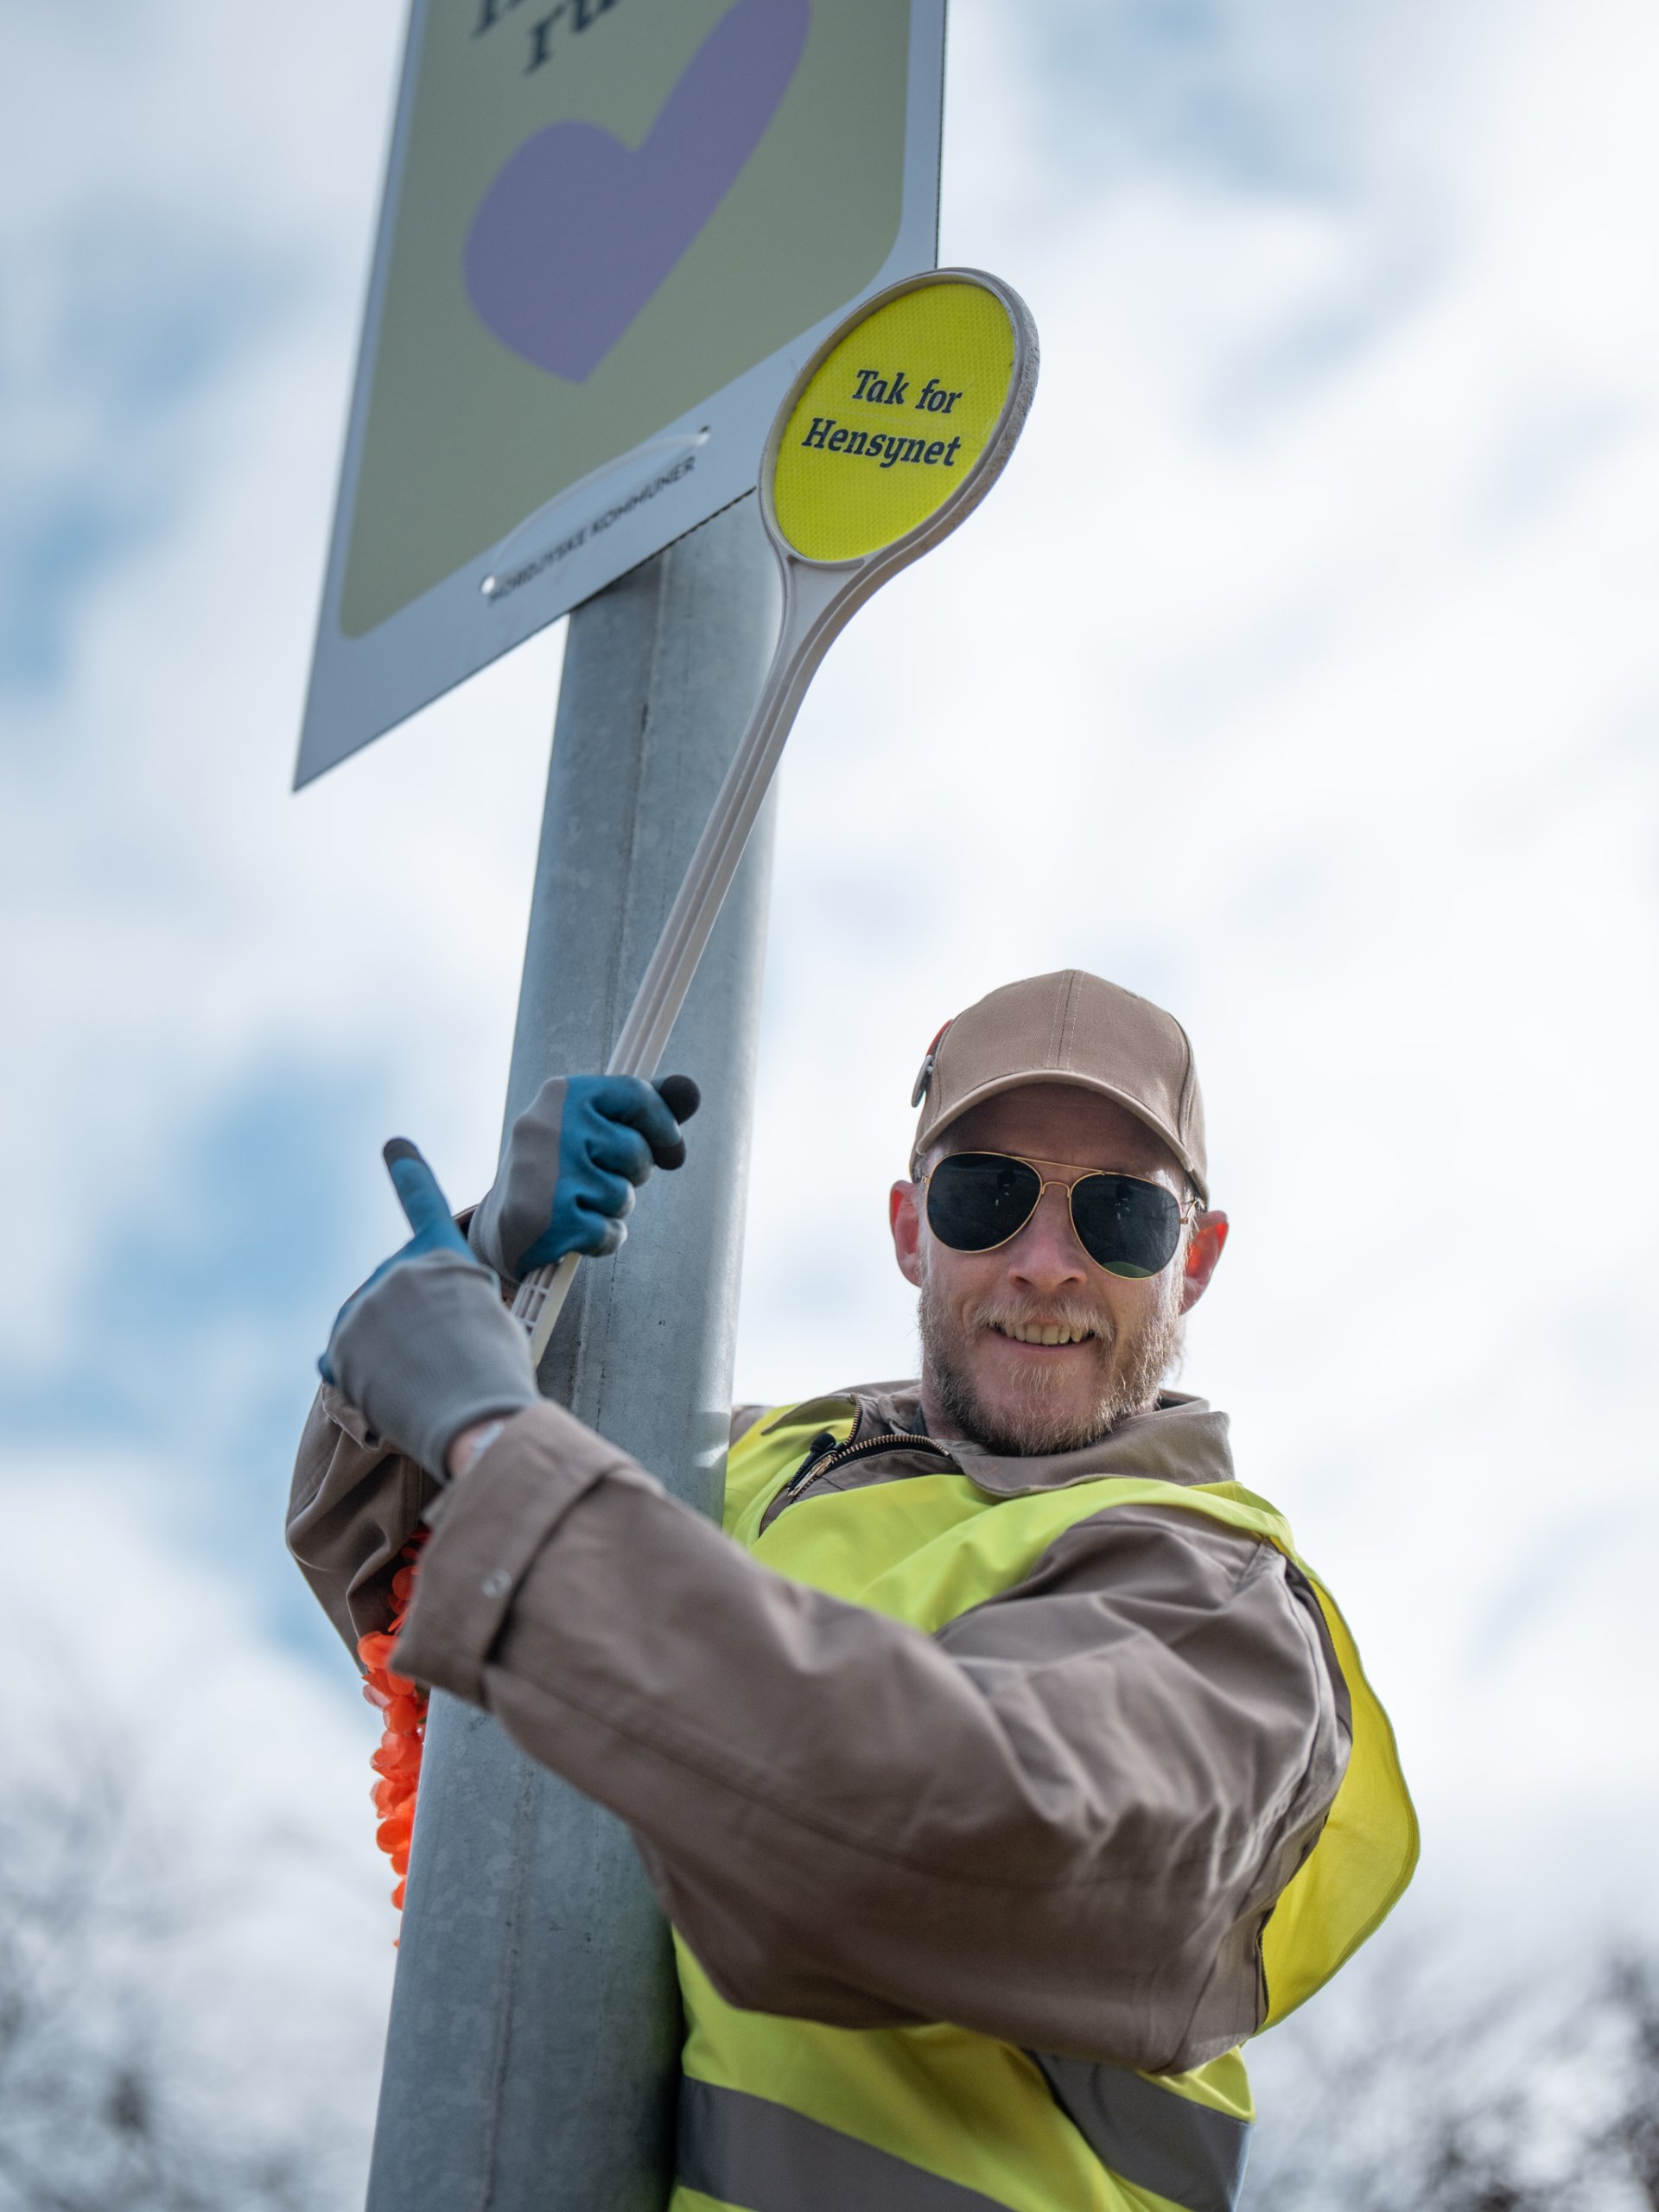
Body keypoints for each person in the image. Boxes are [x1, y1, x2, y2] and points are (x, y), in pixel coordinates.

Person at [289, 968, 1416, 2212]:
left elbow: (970, 1830)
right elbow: (424, 1606)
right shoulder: (741, 1466)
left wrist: (498, 1442)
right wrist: (504, 1290)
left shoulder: (1215, 1589)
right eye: (985, 1196)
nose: (1046, 1263)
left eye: (1122, 1216)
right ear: (906, 1228)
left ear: (1193, 1263)